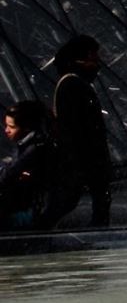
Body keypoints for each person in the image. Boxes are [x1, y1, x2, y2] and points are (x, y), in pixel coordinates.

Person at [47, 34, 112, 226]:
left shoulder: (74, 82)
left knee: (93, 198)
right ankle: (38, 231)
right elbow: (74, 126)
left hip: (84, 156)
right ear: (82, 55)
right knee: (71, 199)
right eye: (94, 55)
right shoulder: (72, 84)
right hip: (83, 157)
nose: (97, 60)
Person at [0, 100, 59, 229]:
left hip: (29, 214)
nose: (6, 130)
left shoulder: (34, 149)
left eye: (12, 127)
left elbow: (7, 175)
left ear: (27, 128)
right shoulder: (32, 143)